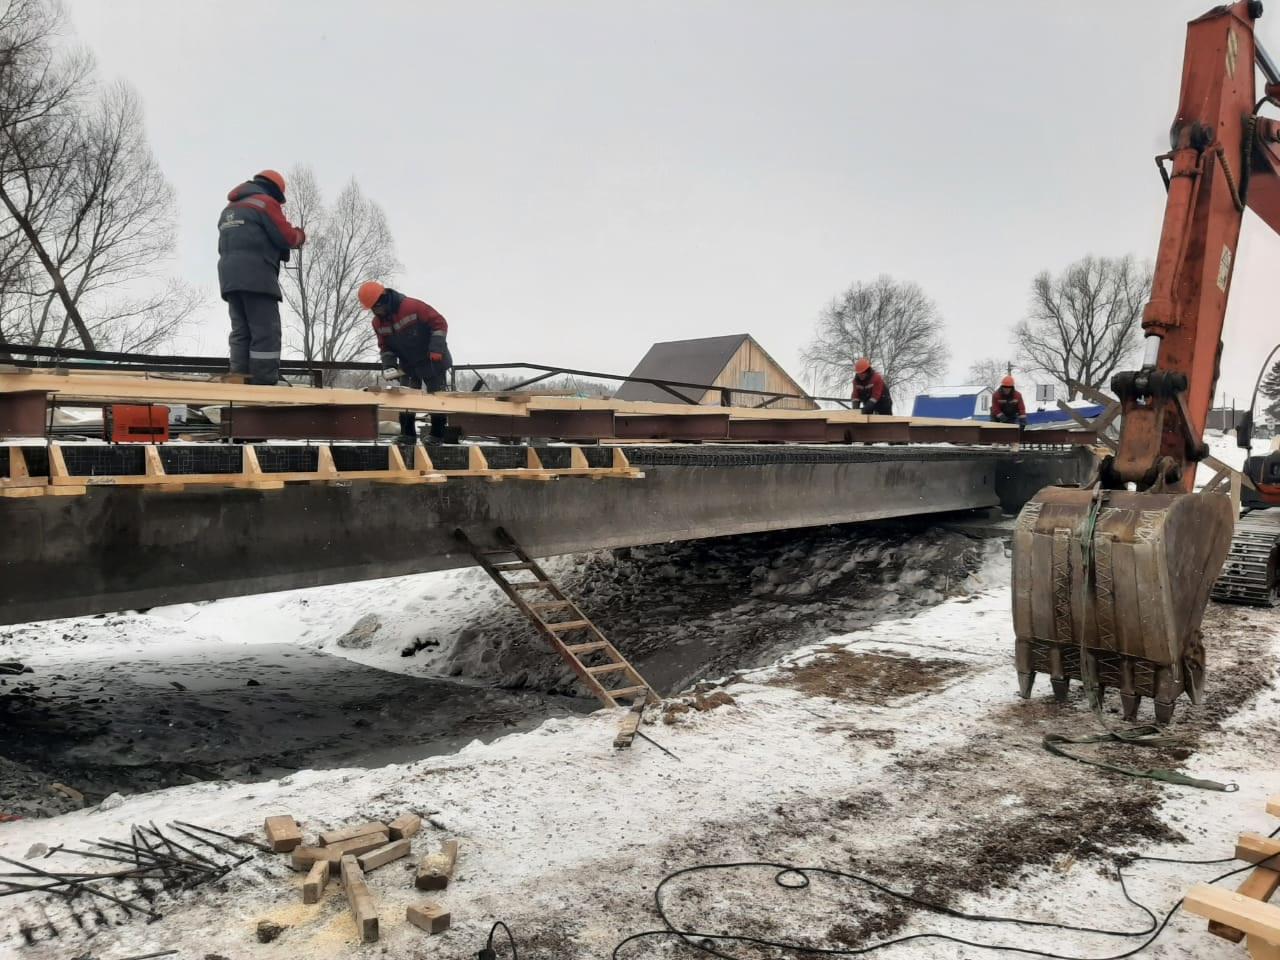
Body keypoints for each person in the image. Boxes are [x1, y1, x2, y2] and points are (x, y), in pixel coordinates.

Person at [217, 169, 306, 385]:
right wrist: (300, 236)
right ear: (275, 191)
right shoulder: (265, 202)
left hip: (229, 279)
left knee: (241, 331)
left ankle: (238, 378)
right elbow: (285, 236)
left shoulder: (229, 209)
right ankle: (264, 383)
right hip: (257, 276)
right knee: (265, 330)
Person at [358, 281, 452, 443]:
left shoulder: (412, 307)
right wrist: (389, 366)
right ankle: (407, 435)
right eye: (372, 309)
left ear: (384, 299)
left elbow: (439, 323)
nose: (375, 312)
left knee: (437, 396)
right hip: (408, 364)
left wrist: (436, 348)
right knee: (404, 397)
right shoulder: (378, 323)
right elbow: (385, 346)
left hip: (432, 359)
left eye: (376, 307)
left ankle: (437, 435)